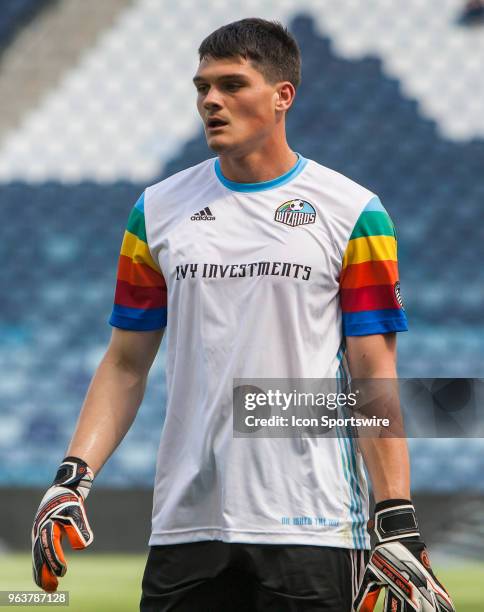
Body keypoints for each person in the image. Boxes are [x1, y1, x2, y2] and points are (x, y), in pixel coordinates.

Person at [32, 18, 456, 612]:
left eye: (232, 84)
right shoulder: (154, 211)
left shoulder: (356, 213)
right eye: (203, 86)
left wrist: (397, 518)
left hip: (315, 525)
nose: (211, 101)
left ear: (283, 96)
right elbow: (126, 363)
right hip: (186, 524)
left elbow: (371, 377)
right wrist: (71, 478)